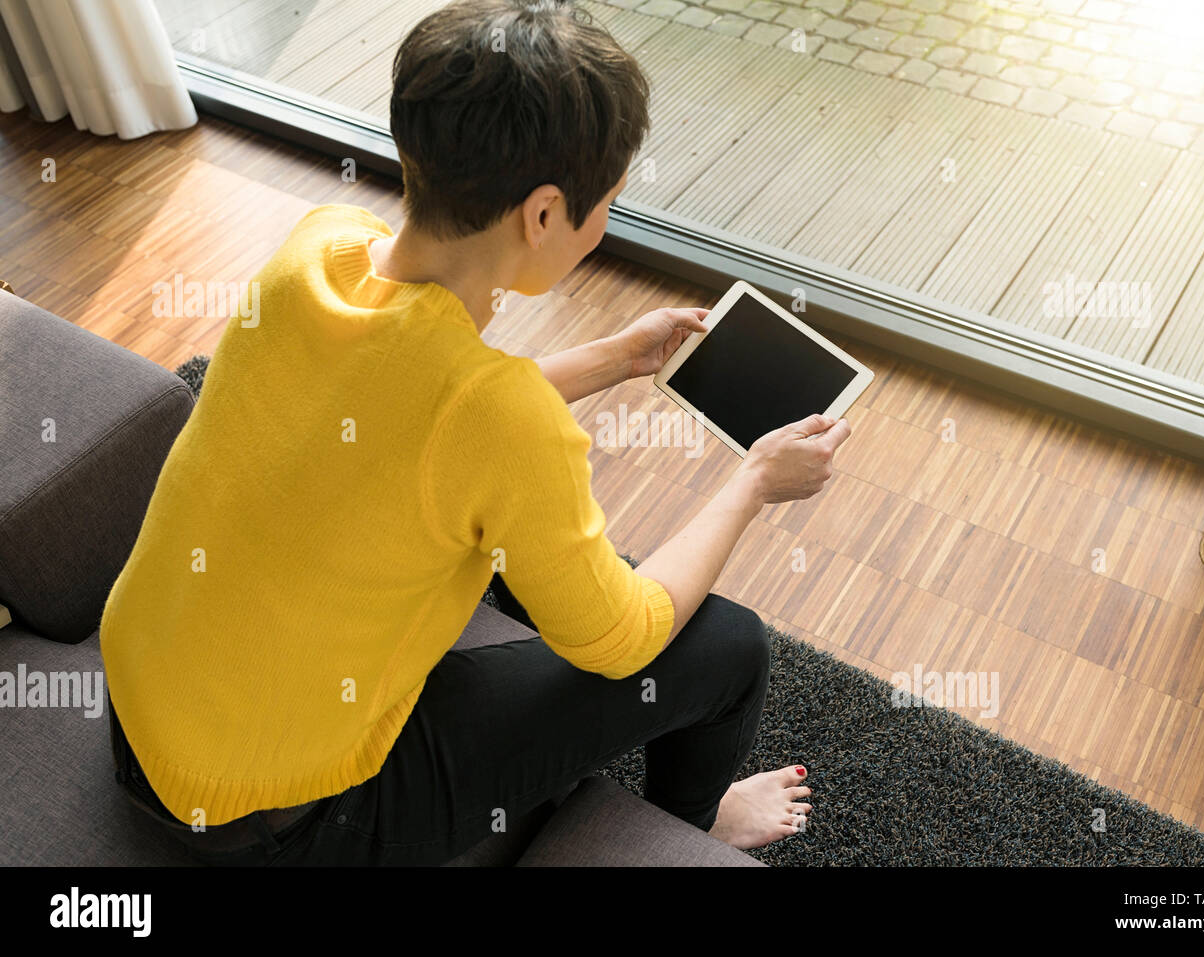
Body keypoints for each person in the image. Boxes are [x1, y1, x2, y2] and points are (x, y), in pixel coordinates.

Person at [100, 0, 853, 866]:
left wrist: (612, 357)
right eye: (604, 204)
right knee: (728, 645)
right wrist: (753, 480)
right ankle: (688, 829)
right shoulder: (501, 421)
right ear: (542, 215)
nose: (604, 225)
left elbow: (413, 413)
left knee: (494, 548)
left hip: (137, 716)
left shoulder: (318, 253)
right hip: (278, 824)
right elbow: (624, 637)